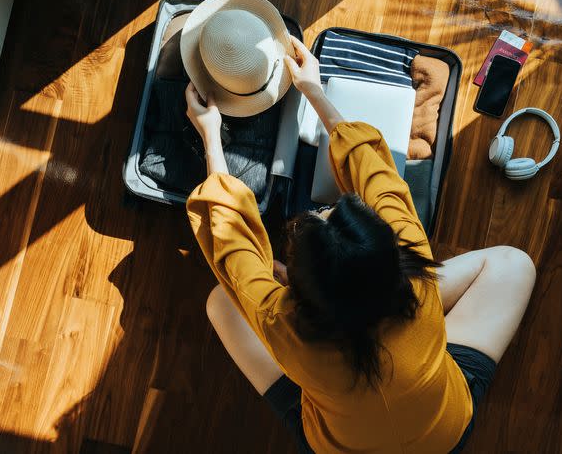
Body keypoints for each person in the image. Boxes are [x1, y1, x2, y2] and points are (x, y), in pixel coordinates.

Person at [185, 35, 536, 453]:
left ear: (300, 302)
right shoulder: (415, 261)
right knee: (515, 264)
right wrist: (314, 91)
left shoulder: (284, 327)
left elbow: (231, 246)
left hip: (339, 443)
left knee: (222, 302)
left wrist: (210, 134)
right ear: (394, 258)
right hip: (443, 434)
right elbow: (376, 174)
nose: (325, 209)